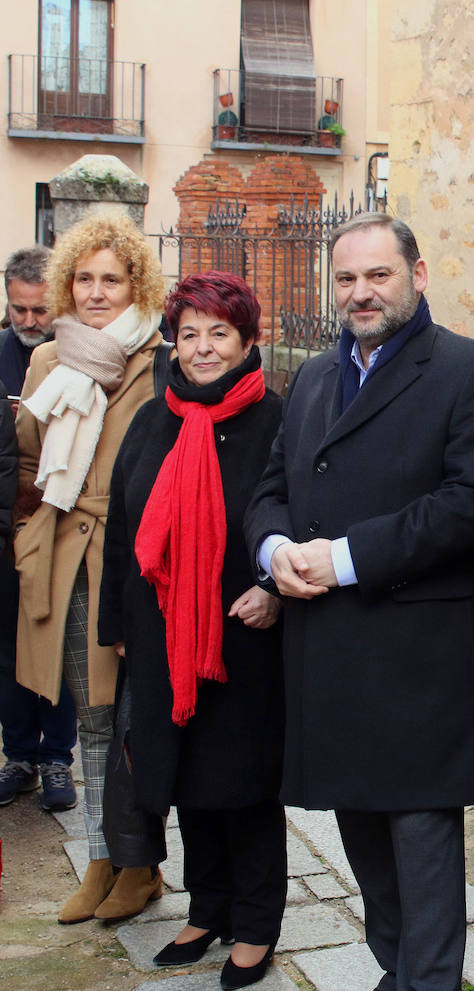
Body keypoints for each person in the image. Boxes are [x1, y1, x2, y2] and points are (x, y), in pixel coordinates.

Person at [245, 213, 474, 991]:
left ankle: (425, 979)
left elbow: (471, 504)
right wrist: (274, 551)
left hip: (416, 663)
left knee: (424, 857)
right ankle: (398, 974)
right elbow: (272, 488)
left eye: (378, 275)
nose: (361, 293)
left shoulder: (473, 369)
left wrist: (341, 558)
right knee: (363, 846)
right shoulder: (315, 378)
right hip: (327, 652)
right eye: (346, 278)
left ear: (418, 276)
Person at [99, 272, 285, 989]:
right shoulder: (155, 418)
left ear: (246, 340)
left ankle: (258, 920)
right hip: (162, 634)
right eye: (189, 334)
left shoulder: (278, 418)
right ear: (173, 343)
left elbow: (304, 519)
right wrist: (119, 623)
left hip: (244, 633)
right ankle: (208, 906)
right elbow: (123, 524)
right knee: (183, 776)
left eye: (218, 333)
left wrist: (275, 590)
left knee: (243, 784)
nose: (202, 348)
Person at [14, 212, 167, 924]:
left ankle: (140, 862)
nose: (98, 292)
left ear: (136, 282)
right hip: (68, 558)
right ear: (65, 284)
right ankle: (106, 858)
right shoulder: (48, 362)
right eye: (85, 278)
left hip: (137, 559)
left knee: (143, 717)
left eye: (112, 278)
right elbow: (28, 460)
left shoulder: (158, 357)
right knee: (93, 717)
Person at [0, 245, 78, 813]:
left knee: (58, 642)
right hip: (7, 522)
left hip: (59, 518)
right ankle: (19, 755)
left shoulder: (74, 357)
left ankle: (57, 760)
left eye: (39, 311)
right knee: (7, 648)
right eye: (19, 310)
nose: (29, 322)